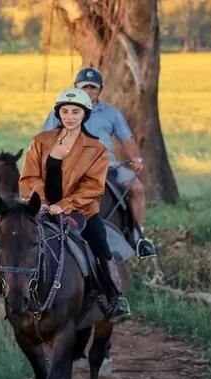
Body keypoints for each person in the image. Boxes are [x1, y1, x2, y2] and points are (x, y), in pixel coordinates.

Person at [21, 88, 131, 323]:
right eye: (65, 111)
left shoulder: (96, 149)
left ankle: (113, 297)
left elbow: (93, 186)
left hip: (80, 211)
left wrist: (65, 204)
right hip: (41, 208)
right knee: (13, 237)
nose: (69, 116)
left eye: (75, 112)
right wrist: (41, 201)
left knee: (99, 242)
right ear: (58, 113)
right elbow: (30, 176)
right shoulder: (41, 141)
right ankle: (7, 288)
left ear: (85, 115)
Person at [41, 67, 157, 259]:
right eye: (84, 87)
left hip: (108, 166)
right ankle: (41, 230)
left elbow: (127, 139)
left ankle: (138, 237)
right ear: (76, 88)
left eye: (93, 88)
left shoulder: (111, 114)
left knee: (136, 188)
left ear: (100, 90)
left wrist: (136, 158)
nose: (89, 91)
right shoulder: (61, 112)